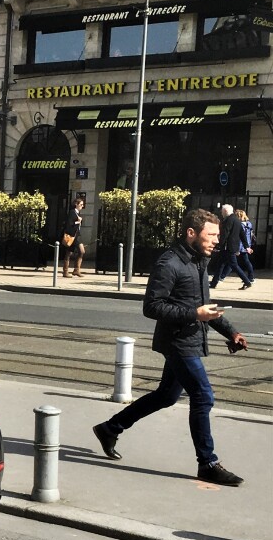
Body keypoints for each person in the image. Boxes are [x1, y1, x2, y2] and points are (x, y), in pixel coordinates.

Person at [92, 208, 248, 486]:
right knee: (203, 397)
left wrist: (231, 331)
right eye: (211, 235)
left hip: (188, 339)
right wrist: (195, 315)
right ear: (191, 233)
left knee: (166, 396)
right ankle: (208, 463)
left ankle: (110, 428)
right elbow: (152, 307)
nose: (216, 241)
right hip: (178, 343)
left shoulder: (199, 261)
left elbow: (204, 307)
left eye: (218, 235)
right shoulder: (170, 263)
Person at [210, 204, 254, 290]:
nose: (221, 213)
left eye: (222, 211)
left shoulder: (228, 220)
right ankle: (213, 283)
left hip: (228, 247)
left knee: (234, 265)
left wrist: (218, 245)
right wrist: (246, 246)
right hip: (233, 246)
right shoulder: (237, 220)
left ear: (225, 211)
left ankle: (247, 281)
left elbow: (225, 234)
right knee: (220, 264)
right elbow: (242, 234)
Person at [62, 197, 86, 278]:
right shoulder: (72, 212)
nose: (82, 206)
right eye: (81, 204)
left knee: (81, 251)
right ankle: (65, 271)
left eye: (83, 205)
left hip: (77, 235)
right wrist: (78, 222)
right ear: (76, 204)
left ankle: (76, 270)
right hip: (72, 236)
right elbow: (69, 224)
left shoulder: (78, 213)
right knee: (68, 253)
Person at [235, 209, 256, 290]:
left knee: (232, 262)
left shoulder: (240, 225)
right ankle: (251, 277)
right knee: (246, 261)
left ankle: (220, 277)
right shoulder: (249, 224)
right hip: (247, 245)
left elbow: (239, 236)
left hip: (240, 245)